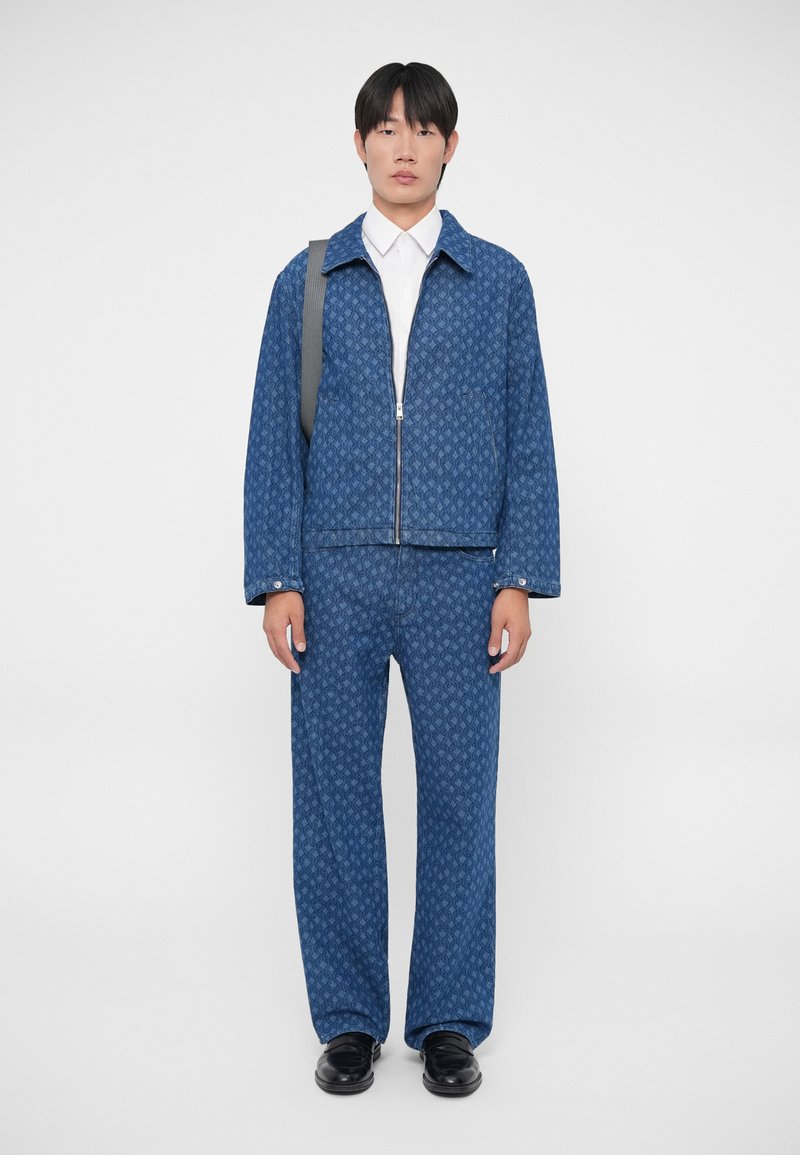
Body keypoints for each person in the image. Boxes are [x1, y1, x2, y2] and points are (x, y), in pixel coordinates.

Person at [243, 61, 561, 1097]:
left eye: (423, 129)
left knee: (461, 798)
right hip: (330, 573)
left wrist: (518, 577)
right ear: (359, 145)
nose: (404, 146)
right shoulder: (308, 280)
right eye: (385, 128)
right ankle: (348, 1020)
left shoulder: (498, 280)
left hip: (462, 577)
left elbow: (526, 435)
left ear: (450, 146)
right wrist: (277, 576)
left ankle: (448, 1020)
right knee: (335, 797)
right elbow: (272, 437)